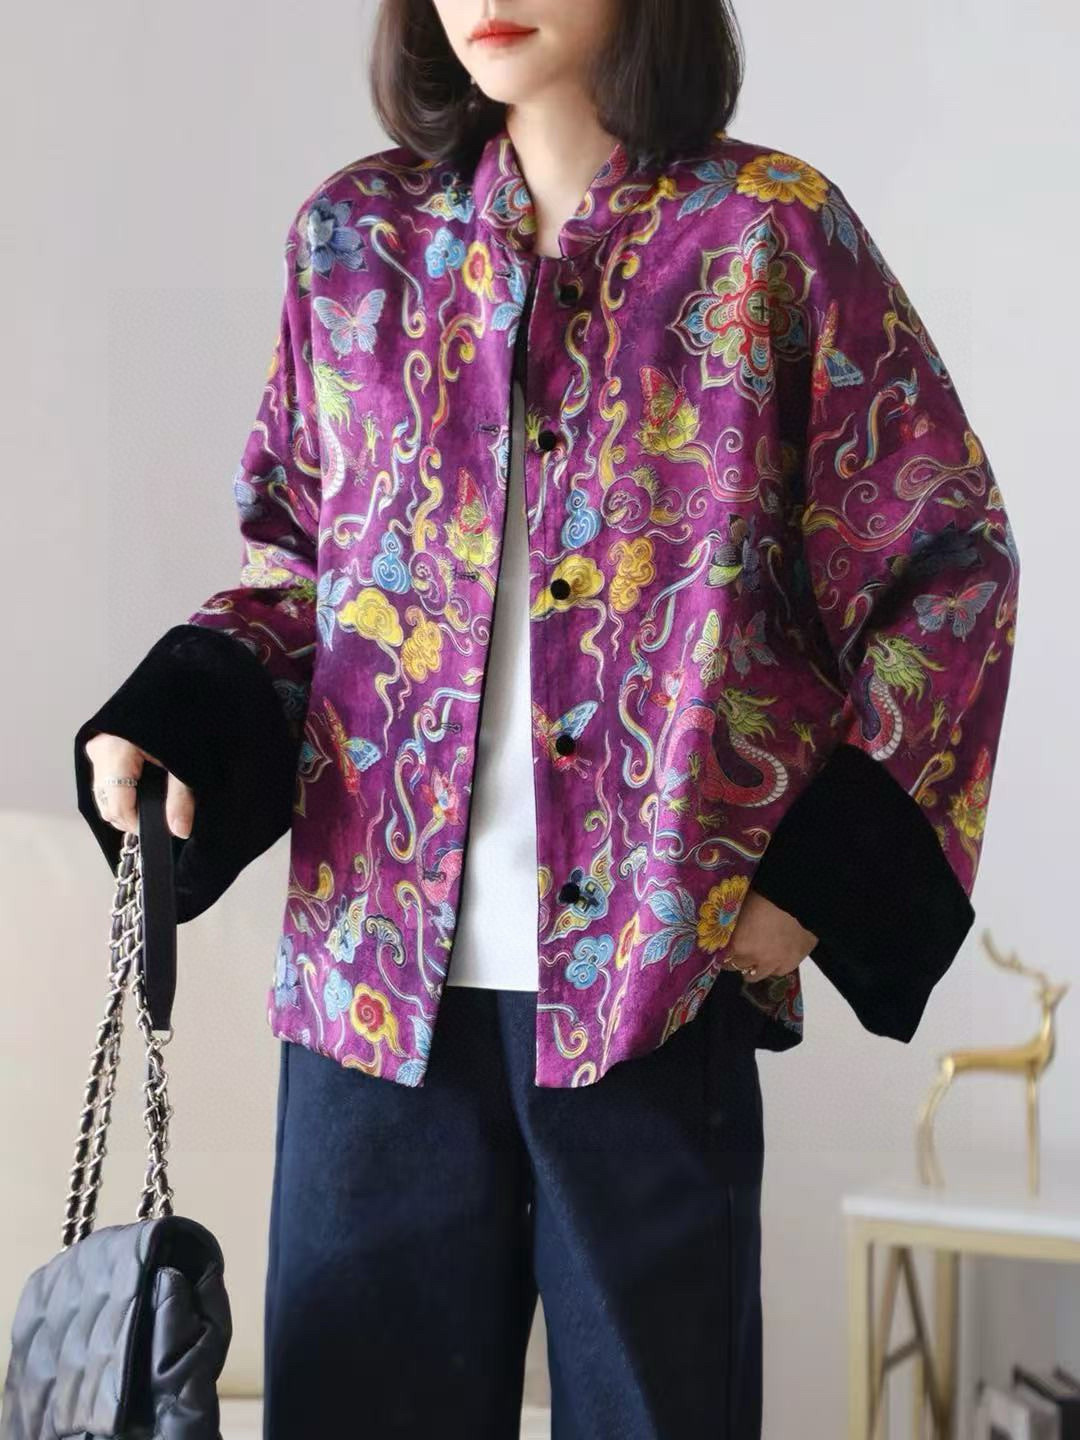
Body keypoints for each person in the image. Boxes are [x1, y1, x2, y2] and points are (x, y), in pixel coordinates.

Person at [72, 1, 1021, 1435]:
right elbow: (303, 573)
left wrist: (820, 885)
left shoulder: (769, 237)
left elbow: (947, 564)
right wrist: (180, 719)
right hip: (371, 1002)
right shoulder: (354, 242)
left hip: (651, 995)